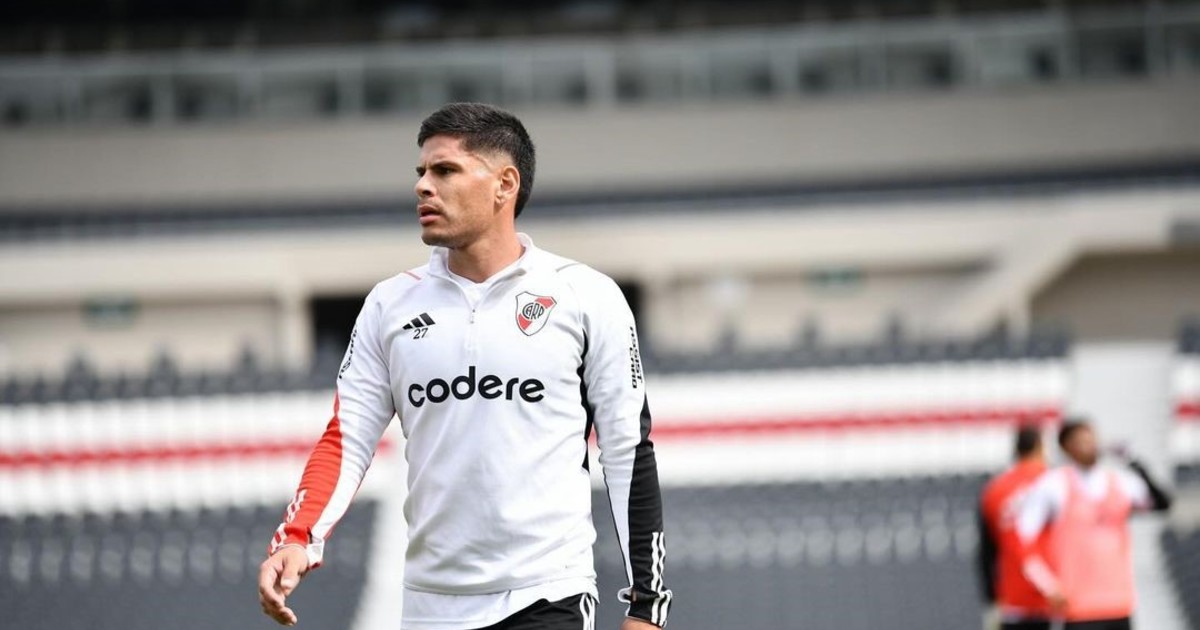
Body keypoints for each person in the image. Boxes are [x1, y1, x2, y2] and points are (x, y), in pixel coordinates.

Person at [257, 102, 673, 630]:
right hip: (431, 606)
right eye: (421, 172)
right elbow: (347, 438)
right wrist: (297, 538)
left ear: (505, 185)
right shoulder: (389, 304)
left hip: (549, 596)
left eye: (445, 170)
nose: (423, 186)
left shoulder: (587, 295)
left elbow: (627, 450)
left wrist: (646, 606)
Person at [1015, 418, 1172, 630]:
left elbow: (1162, 503)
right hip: (1079, 608)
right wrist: (1048, 586)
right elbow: (1022, 540)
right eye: (1081, 441)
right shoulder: (1054, 485)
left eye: (1091, 439)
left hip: (1118, 605)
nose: (1089, 446)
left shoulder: (1118, 482)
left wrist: (1133, 461)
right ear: (1067, 447)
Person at [977, 426, 1052, 630]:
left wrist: (992, 598)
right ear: (1040, 447)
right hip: (1057, 599)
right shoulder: (1055, 483)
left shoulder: (995, 489)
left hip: (1012, 600)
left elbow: (986, 552)